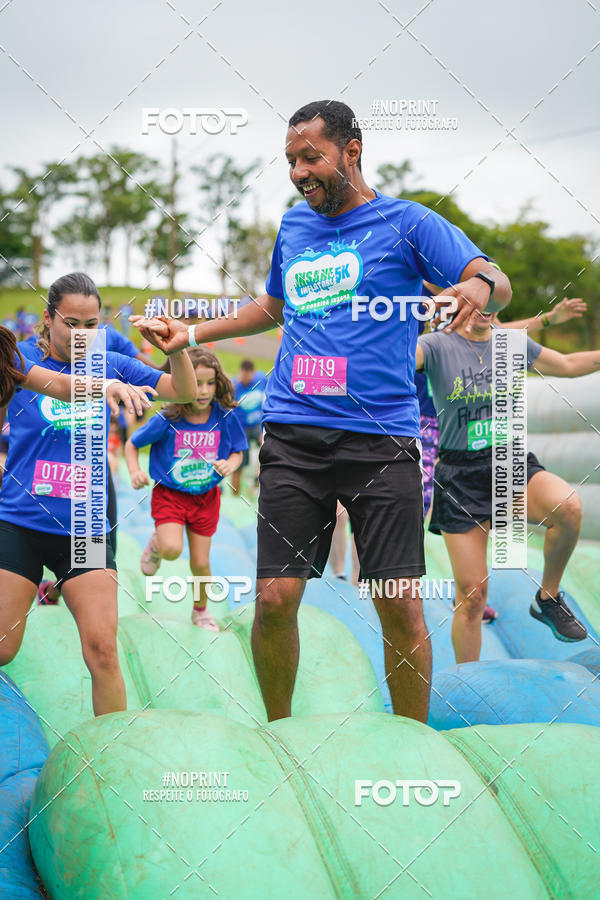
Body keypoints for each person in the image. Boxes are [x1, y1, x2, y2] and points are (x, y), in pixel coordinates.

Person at [132, 99, 511, 724]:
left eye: (311, 157)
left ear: (350, 152)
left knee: (399, 603)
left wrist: (476, 284)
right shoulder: (294, 227)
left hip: (380, 440)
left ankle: (410, 738)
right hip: (293, 436)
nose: (299, 171)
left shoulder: (408, 223)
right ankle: (281, 735)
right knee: (275, 597)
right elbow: (272, 307)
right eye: (290, 160)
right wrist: (193, 334)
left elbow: (494, 279)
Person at [0, 272, 197, 715]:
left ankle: (110, 767)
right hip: (19, 521)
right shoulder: (19, 361)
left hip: (85, 528)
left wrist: (177, 349)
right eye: (72, 323)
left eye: (92, 325)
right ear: (47, 319)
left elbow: (181, 390)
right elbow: (59, 389)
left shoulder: (111, 361)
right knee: (3, 649)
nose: (83, 335)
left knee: (103, 651)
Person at [416, 310, 596, 664]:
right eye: (481, 295)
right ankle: (471, 686)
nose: (489, 306)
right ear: (462, 299)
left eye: (497, 298)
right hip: (460, 474)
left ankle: (547, 597)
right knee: (472, 597)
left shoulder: (512, 344)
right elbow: (393, 360)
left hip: (510, 462)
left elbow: (569, 363)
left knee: (569, 507)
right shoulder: (435, 345)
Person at [125, 347, 247, 631]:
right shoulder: (168, 418)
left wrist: (230, 464)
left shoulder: (224, 417)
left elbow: (239, 451)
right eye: (196, 382)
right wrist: (134, 471)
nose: (203, 391)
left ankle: (200, 611)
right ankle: (157, 543)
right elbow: (132, 444)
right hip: (171, 495)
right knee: (171, 549)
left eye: (209, 383)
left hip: (206, 499)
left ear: (218, 384)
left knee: (201, 564)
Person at [231, 359, 267, 495]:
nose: (246, 379)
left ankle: (258, 478)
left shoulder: (261, 378)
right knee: (239, 463)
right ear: (240, 372)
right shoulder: (234, 387)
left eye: (249, 376)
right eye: (243, 376)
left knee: (267, 447)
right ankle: (235, 495)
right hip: (241, 429)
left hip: (257, 424)